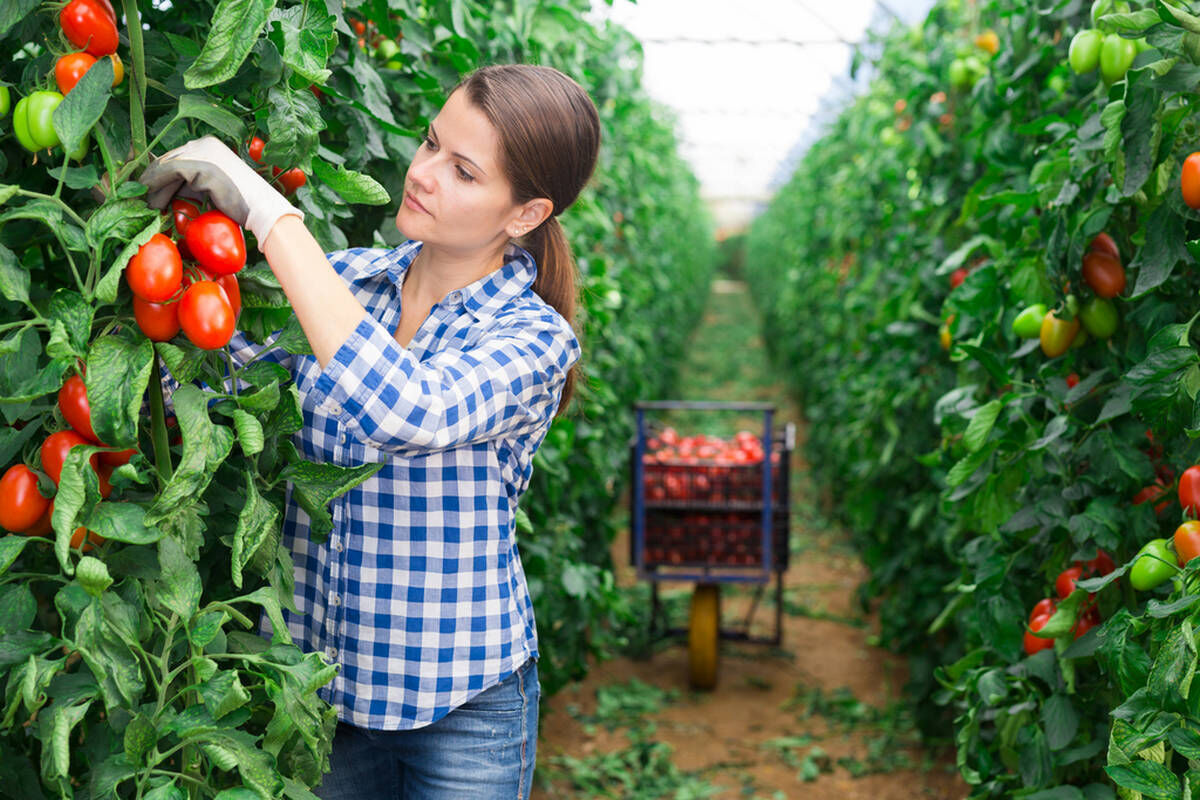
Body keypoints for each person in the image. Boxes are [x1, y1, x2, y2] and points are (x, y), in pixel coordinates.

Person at [139, 64, 601, 799]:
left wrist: (271, 217)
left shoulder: (534, 340)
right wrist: (141, 256)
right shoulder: (346, 283)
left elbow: (407, 412)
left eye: (464, 171)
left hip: (462, 706)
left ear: (525, 214)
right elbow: (214, 385)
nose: (423, 174)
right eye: (429, 143)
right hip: (324, 697)